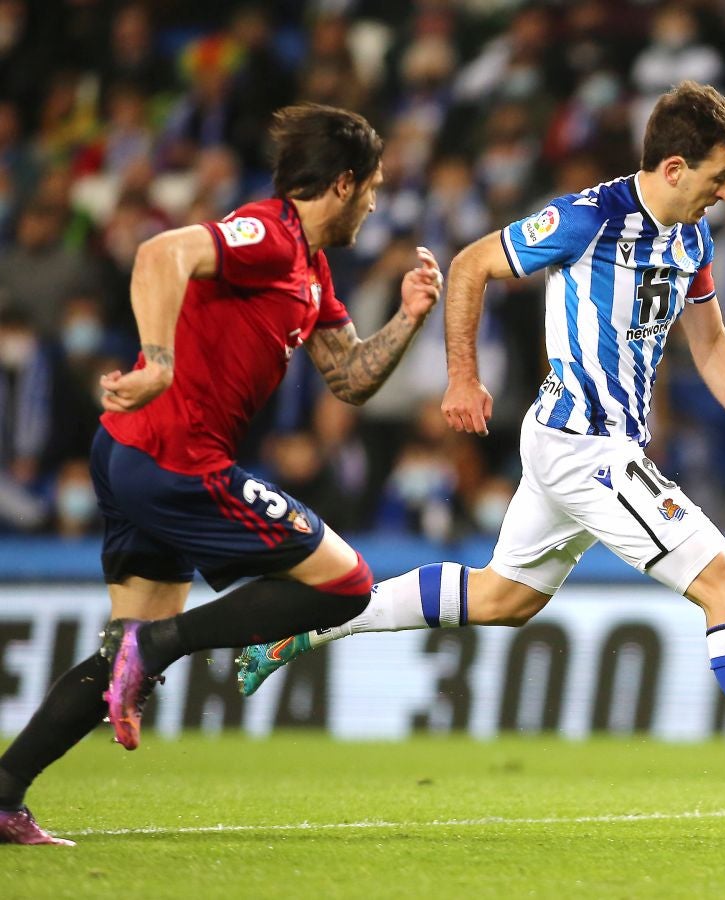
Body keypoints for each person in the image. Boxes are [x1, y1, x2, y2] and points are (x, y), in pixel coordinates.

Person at [237, 82, 725, 834]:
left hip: (585, 446)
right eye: (720, 176)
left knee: (503, 599)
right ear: (675, 166)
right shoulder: (590, 217)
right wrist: (462, 376)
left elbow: (712, 346)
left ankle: (305, 627)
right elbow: (470, 265)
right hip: (583, 446)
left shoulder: (690, 238)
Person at [0, 104, 442, 845]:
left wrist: (408, 317)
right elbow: (159, 254)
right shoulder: (268, 233)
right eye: (371, 186)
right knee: (346, 585)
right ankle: (162, 646)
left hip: (135, 453)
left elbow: (351, 378)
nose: (374, 201)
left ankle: (5, 795)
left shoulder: (311, 269)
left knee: (121, 652)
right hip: (174, 458)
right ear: (342, 183)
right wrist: (159, 358)